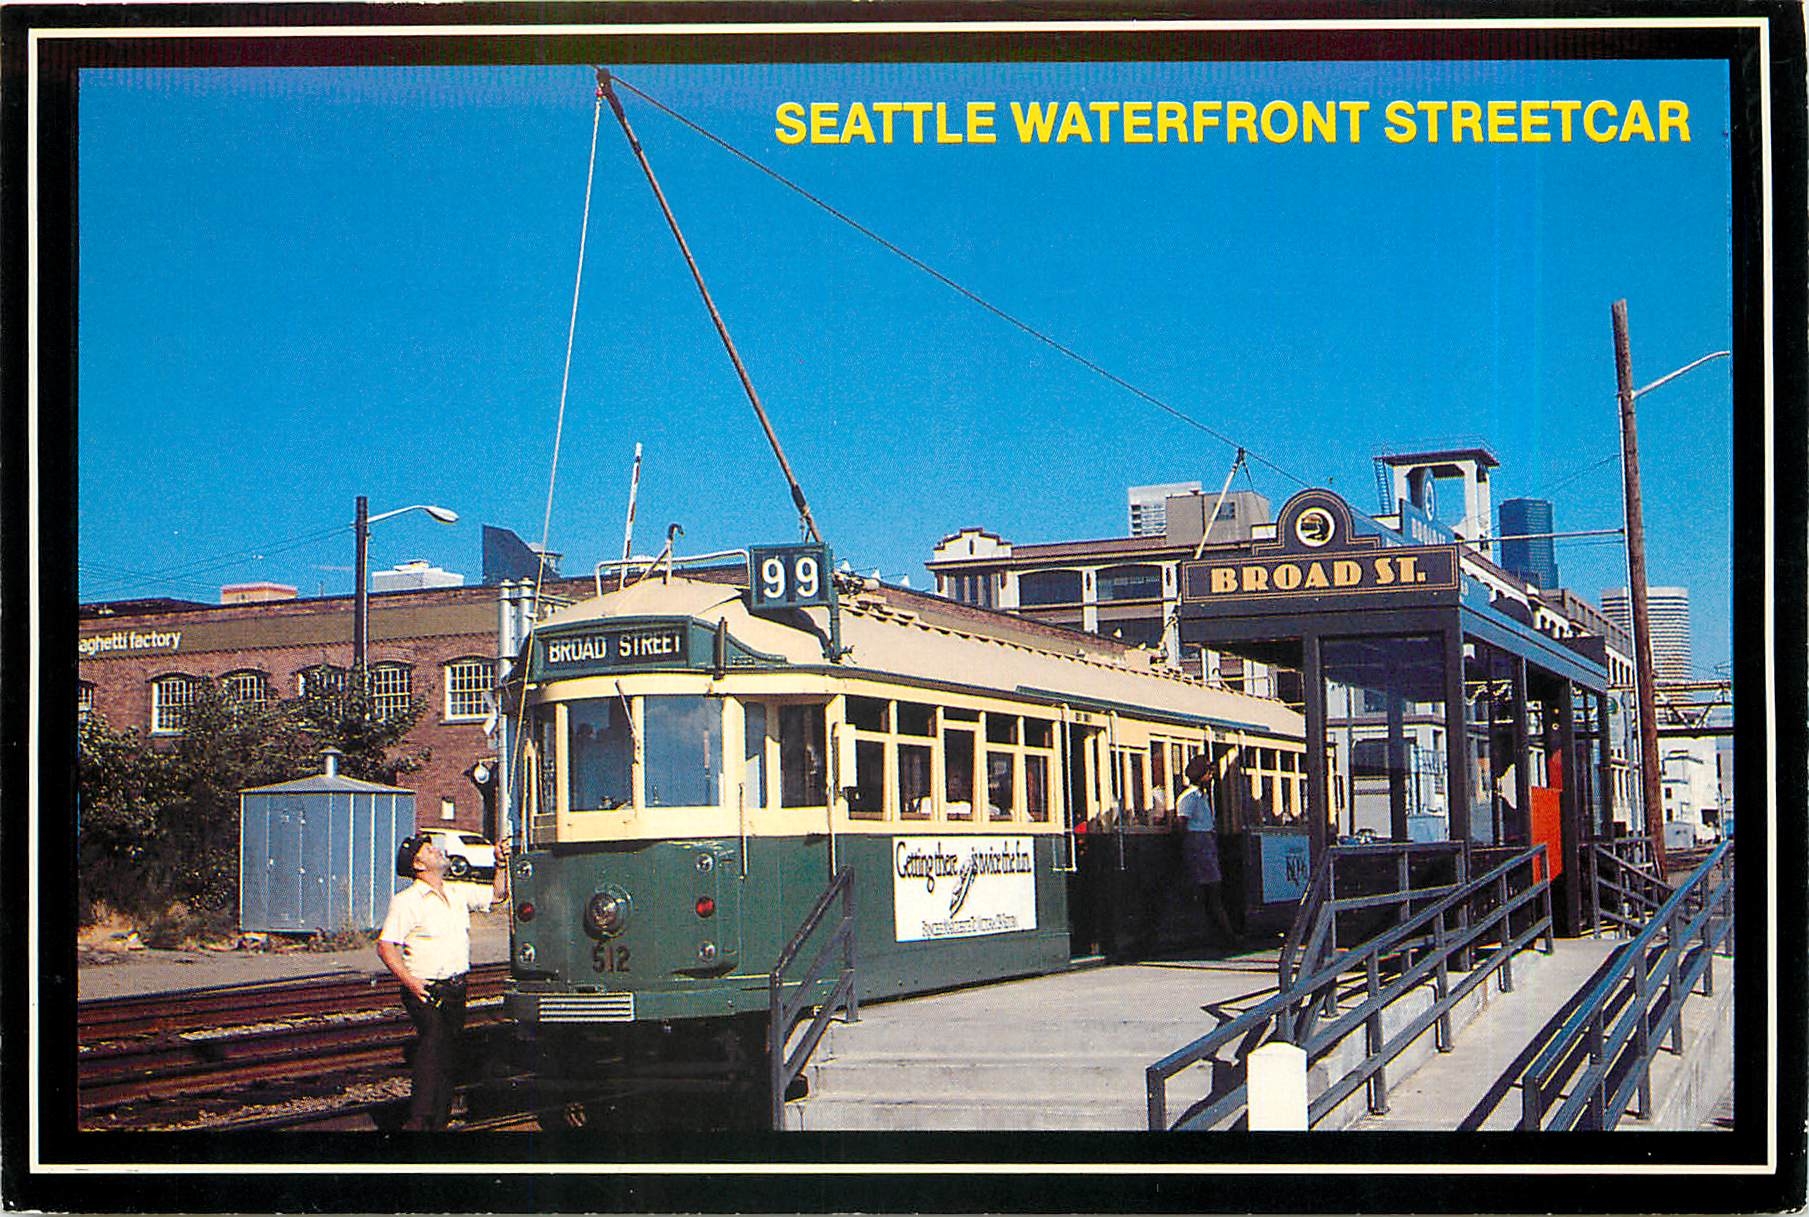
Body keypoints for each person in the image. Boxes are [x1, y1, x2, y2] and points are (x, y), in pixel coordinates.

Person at [377, 831, 510, 1130]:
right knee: (432, 1047)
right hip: (426, 989)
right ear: (418, 864)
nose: (437, 851)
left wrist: (501, 864)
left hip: (455, 987)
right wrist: (411, 983)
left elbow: (497, 895)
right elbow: (386, 946)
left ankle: (439, 1120)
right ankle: (419, 1121)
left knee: (449, 1054)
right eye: (428, 849)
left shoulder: (455, 892)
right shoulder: (407, 901)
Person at [1174, 754, 1235, 947]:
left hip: (1205, 844)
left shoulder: (1202, 797)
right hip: (1198, 845)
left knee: (1212, 890)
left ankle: (1223, 934)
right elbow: (1182, 823)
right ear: (1200, 776)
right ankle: (1225, 936)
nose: (1211, 777)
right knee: (1209, 890)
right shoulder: (1189, 798)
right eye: (1209, 773)